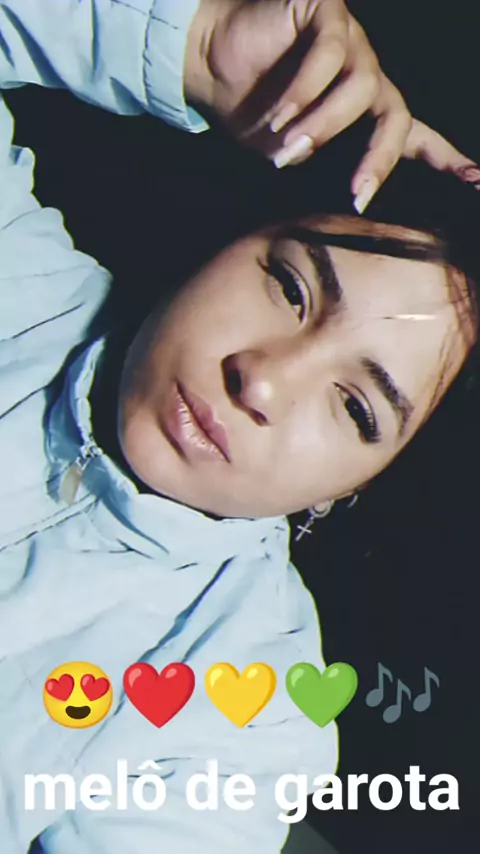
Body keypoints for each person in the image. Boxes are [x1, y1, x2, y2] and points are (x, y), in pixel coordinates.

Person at [0, 2, 478, 854]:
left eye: (356, 408)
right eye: (291, 288)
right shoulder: (17, 270)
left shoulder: (244, 711)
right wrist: (190, 41)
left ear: (360, 484)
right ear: (233, 239)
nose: (262, 379)